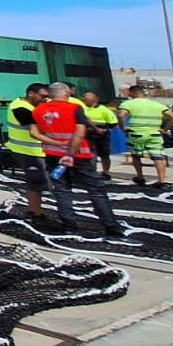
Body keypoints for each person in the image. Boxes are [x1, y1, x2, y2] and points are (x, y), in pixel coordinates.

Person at [33, 82, 127, 237]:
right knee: (96, 191)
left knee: (62, 190)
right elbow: (79, 133)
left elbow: (34, 133)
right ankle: (112, 229)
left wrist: (56, 144)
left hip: (53, 156)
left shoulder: (39, 110)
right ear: (66, 92)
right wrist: (69, 154)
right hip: (78, 156)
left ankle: (69, 226)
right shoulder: (74, 108)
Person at [3, 82, 51, 222]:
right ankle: (35, 213)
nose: (45, 99)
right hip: (26, 151)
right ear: (31, 93)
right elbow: (37, 127)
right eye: (42, 96)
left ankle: (35, 211)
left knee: (39, 183)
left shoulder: (33, 106)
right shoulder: (19, 108)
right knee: (35, 182)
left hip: (36, 151)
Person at [118, 85, 173, 187]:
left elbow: (121, 115)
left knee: (136, 155)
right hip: (154, 134)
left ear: (131, 93)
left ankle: (140, 177)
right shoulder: (157, 104)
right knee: (158, 156)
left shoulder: (128, 103)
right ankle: (161, 181)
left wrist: (123, 127)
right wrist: (164, 129)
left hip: (136, 133)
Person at [80, 90, 118, 178]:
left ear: (94, 99)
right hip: (88, 135)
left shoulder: (104, 109)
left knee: (104, 154)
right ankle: (92, 171)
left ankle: (106, 172)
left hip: (102, 135)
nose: (83, 99)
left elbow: (113, 122)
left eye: (86, 98)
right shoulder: (82, 108)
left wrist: (104, 130)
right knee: (91, 154)